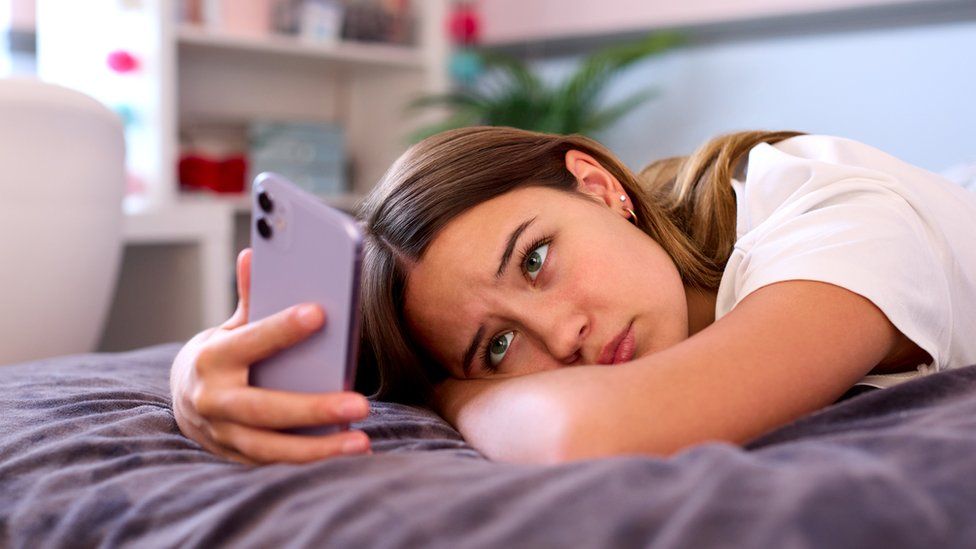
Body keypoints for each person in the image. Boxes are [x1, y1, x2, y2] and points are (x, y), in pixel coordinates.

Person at [170, 127, 976, 465]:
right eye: (496, 346)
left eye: (536, 259)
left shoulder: (827, 210)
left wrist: (456, 387)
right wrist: (188, 380)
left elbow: (587, 430)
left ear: (598, 186)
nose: (563, 337)